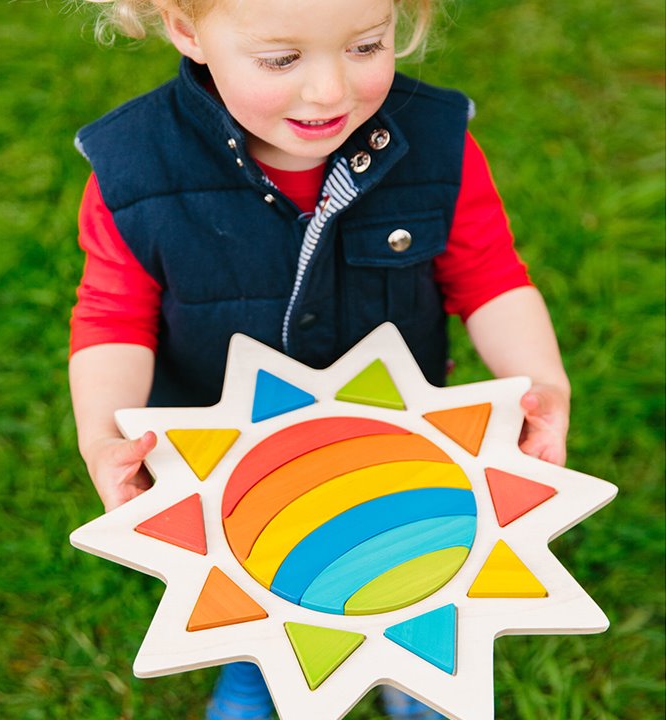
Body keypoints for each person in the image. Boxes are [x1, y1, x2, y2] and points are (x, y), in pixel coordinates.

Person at [69, 0, 572, 718]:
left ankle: (413, 659)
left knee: (398, 548)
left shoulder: (435, 144)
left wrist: (541, 380)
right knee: (255, 566)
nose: (332, 91)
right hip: (225, 460)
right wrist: (103, 434)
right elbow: (113, 315)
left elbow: (489, 277)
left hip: (398, 445)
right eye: (281, 60)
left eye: (368, 46)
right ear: (187, 30)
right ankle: (253, 663)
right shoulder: (136, 166)